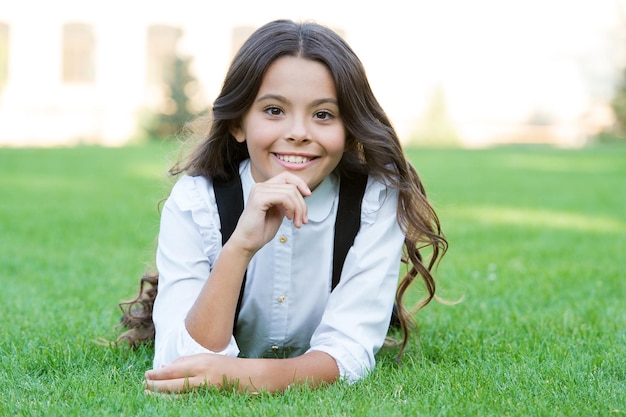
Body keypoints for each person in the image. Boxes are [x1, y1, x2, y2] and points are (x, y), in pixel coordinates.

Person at [118, 19, 447, 394]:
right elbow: (180, 366)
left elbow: (348, 352)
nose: (298, 132)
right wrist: (239, 247)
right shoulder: (196, 201)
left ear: (350, 129)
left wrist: (243, 378)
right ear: (238, 124)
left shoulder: (374, 200)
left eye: (323, 114)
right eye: (274, 110)